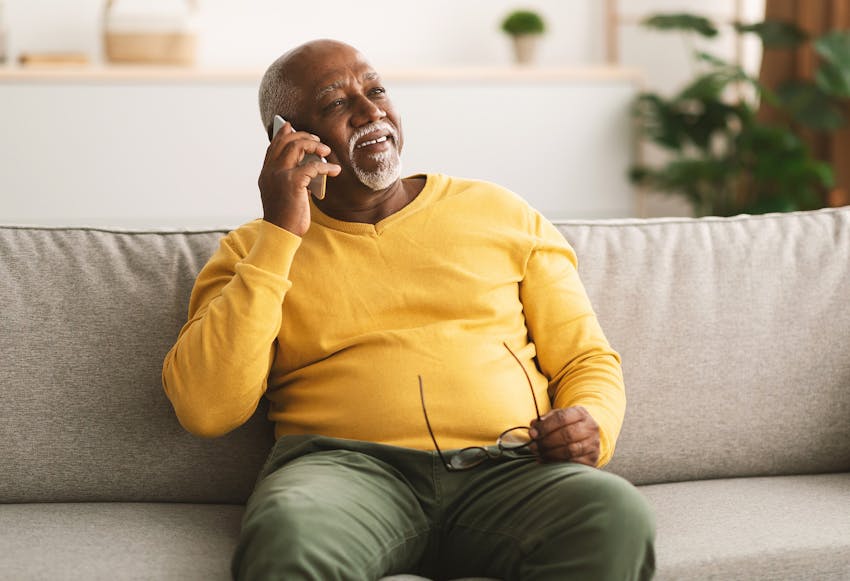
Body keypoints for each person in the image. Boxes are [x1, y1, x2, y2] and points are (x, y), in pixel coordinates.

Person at [162, 39, 655, 581]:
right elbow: (207, 409)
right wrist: (280, 234)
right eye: (336, 103)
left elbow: (586, 359)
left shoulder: (500, 212)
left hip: (509, 468)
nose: (370, 111)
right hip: (344, 479)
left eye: (375, 91)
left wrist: (592, 422)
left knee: (614, 515)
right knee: (288, 538)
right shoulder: (253, 250)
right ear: (289, 139)